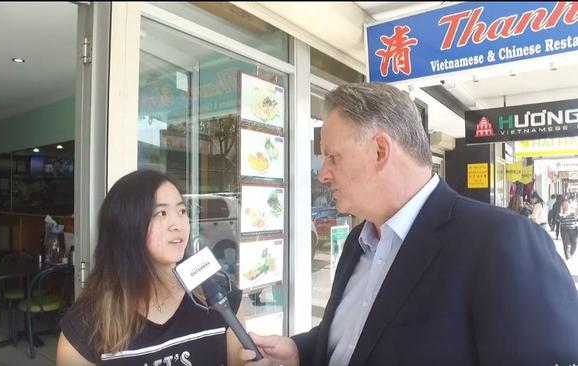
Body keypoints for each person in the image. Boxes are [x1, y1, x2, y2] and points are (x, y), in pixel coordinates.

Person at [240, 83, 578, 366]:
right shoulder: (359, 239)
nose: (323, 173)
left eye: (334, 157)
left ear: (380, 151)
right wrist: (300, 351)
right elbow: (359, 337)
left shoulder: (501, 241)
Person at [57, 170, 245, 365]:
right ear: (126, 225)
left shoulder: (220, 298)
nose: (178, 224)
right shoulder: (85, 326)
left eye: (182, 211)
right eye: (161, 213)